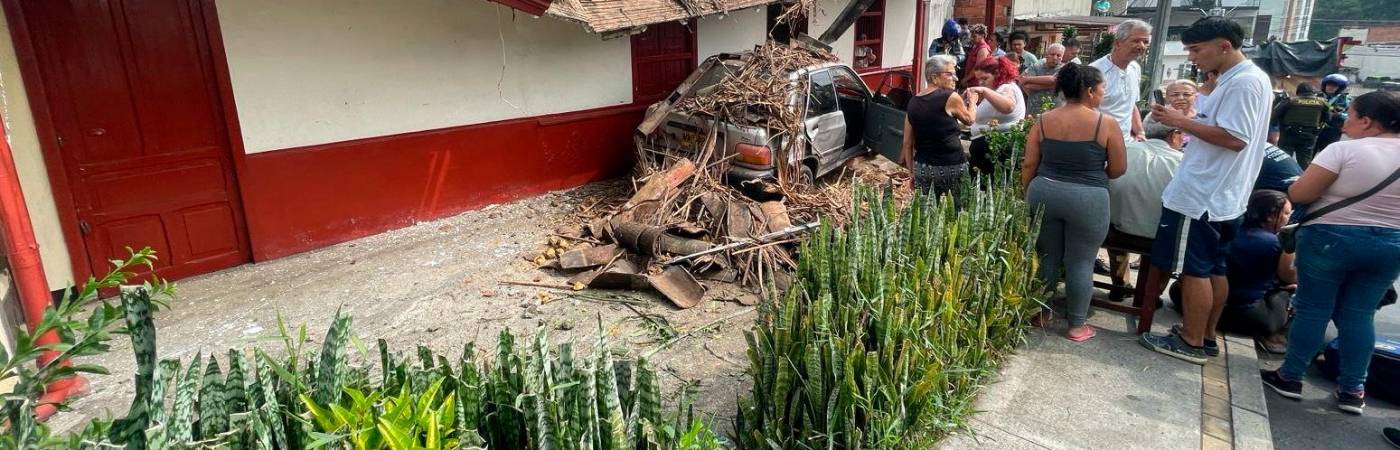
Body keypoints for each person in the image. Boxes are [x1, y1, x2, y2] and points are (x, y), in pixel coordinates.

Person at [1138, 17, 1272, 365]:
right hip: (1225, 196)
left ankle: (1191, 340)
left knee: (1193, 270)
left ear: (1224, 45)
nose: (1193, 58)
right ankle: (1206, 335)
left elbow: (1234, 139)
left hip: (1202, 196)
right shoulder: (1243, 80)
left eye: (1197, 50)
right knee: (1214, 269)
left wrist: (1178, 121)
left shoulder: (1244, 83)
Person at [1261, 91, 1400, 416]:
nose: (1344, 121)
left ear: (1366, 121)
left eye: (1350, 115)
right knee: (1359, 315)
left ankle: (1291, 376)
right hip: (1391, 244)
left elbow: (1300, 192)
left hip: (1331, 237)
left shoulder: (1342, 151)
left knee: (1313, 308)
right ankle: (1353, 390)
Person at [1021, 63, 1126, 341]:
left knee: (1046, 256)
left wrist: (1025, 193)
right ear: (1090, 91)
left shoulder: (1043, 120)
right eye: (1102, 88)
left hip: (1044, 192)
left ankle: (1041, 313)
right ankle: (1076, 326)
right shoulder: (1106, 124)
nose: (1103, 93)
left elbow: (1030, 163)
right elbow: (1117, 169)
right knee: (1081, 261)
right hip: (1088, 198)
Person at [1174, 190, 1295, 351]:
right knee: (1291, 292)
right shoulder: (1276, 243)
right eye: (1286, 213)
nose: (1288, 218)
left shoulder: (1225, 233)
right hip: (1250, 317)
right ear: (1271, 215)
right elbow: (1289, 276)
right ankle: (1280, 339)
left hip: (1194, 310)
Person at [1105, 125, 1185, 298]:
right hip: (1157, 238)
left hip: (1115, 231)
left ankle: (1120, 284)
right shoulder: (1182, 163)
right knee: (1174, 241)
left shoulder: (1127, 150)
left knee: (1116, 215)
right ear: (1174, 135)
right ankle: (1150, 295)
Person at [901, 55, 977, 199]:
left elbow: (907, 142)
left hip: (922, 168)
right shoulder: (950, 96)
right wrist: (973, 101)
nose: (955, 78)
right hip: (950, 166)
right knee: (956, 212)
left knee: (928, 213)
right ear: (934, 77)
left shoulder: (913, 101)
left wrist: (912, 172)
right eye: (949, 74)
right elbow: (969, 119)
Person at [1090, 19, 1151, 142]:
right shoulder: (1094, 72)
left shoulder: (1135, 68)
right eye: (1136, 41)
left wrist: (1140, 132)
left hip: (1125, 143)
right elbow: (1084, 110)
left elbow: (1131, 105)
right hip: (1097, 143)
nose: (1142, 46)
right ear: (1118, 43)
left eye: (1145, 42)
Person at [967, 56, 1027, 176]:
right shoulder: (998, 89)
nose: (981, 83)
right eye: (978, 79)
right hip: (987, 148)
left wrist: (983, 91)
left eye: (985, 78)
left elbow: (1008, 106)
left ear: (998, 74)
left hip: (996, 149)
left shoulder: (1007, 87)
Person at [1272, 83, 1331, 167]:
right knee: (1305, 162)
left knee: (1284, 160)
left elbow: (1275, 115)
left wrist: (1277, 126)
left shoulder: (1290, 101)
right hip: (1309, 134)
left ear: (1298, 91)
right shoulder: (1322, 102)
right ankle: (1303, 178)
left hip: (1289, 134)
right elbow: (1328, 118)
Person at [1143, 79, 1199, 146]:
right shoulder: (1157, 115)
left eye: (1187, 94)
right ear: (1167, 97)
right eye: (1175, 95)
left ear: (1196, 97)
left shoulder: (1202, 118)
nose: (1181, 98)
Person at [1314, 73, 1353, 158]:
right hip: (1316, 130)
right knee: (1309, 154)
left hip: (1333, 130)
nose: (1330, 87)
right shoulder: (1317, 96)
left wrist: (1339, 115)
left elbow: (1350, 116)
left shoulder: (1345, 100)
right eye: (1328, 85)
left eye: (1334, 86)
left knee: (1328, 155)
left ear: (1340, 88)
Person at [1020, 43, 1065, 115]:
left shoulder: (1064, 69)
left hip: (1054, 111)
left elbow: (1053, 80)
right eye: (1052, 54)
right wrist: (1050, 85)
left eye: (1059, 55)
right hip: (1033, 110)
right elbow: (1025, 84)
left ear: (1062, 57)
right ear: (1046, 55)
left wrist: (1027, 79)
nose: (1055, 57)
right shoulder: (1036, 66)